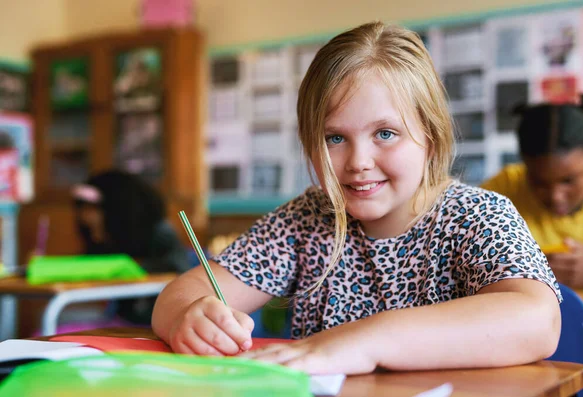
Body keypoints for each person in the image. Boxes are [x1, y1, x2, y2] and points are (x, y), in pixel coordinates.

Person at [152, 21, 561, 375]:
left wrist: (365, 340)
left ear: (431, 139)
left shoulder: (478, 215)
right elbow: (178, 295)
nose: (358, 162)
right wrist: (191, 316)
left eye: (385, 133)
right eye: (334, 138)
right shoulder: (307, 220)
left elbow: (537, 320)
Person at [481, 95, 583, 289]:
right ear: (524, 163)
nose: (555, 196)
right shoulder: (501, 192)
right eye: (538, 182)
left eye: (568, 181)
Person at [72, 169, 191, 325]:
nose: (84, 215)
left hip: (156, 318)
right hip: (123, 317)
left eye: (92, 209)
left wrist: (127, 267)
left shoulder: (159, 232)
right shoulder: (108, 235)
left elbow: (176, 269)